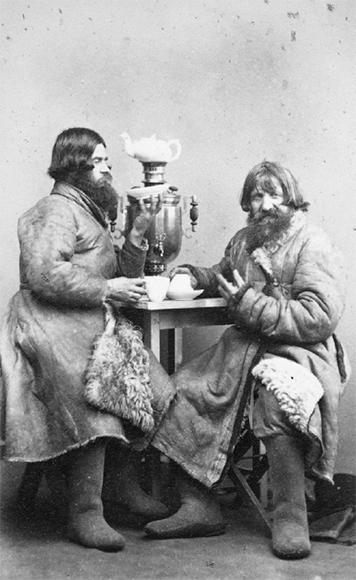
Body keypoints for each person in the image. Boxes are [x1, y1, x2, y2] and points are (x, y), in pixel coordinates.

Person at [144, 161, 350, 560]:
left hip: (299, 352)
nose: (266, 204)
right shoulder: (244, 240)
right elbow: (224, 274)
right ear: (247, 202)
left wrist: (253, 304)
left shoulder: (313, 242)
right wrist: (196, 276)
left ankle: (291, 515)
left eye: (275, 194)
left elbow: (318, 317)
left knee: (278, 400)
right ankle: (199, 504)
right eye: (257, 195)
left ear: (291, 199)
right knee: (183, 388)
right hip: (242, 350)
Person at [0, 127, 175, 552]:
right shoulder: (54, 211)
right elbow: (43, 276)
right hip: (45, 322)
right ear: (72, 166)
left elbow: (120, 276)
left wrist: (134, 239)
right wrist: (105, 291)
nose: (108, 168)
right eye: (98, 161)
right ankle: (84, 512)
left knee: (149, 383)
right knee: (89, 388)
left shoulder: (86, 210)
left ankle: (121, 487)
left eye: (106, 160)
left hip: (85, 319)